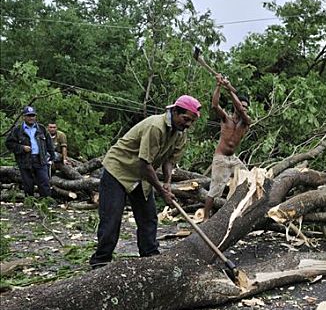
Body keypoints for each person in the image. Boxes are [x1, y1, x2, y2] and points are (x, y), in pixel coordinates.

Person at [89, 95, 201, 268]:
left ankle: (149, 256)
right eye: (186, 119)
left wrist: (168, 183)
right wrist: (162, 192)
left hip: (141, 176)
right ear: (175, 112)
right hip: (119, 170)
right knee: (112, 218)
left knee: (148, 218)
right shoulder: (155, 127)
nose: (188, 124)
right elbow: (145, 163)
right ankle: (101, 260)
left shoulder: (180, 133)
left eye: (191, 122)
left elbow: (169, 161)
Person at [203, 74, 252, 220]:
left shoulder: (246, 122)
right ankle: (206, 217)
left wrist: (229, 89)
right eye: (242, 106)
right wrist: (219, 85)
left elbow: (240, 110)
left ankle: (243, 213)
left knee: (249, 180)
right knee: (215, 189)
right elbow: (214, 105)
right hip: (221, 158)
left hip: (234, 159)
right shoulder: (226, 119)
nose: (244, 109)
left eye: (246, 107)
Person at [5, 106, 56, 197]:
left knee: (44, 181)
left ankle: (46, 202)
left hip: (40, 159)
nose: (31, 118)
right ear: (24, 117)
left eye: (33, 115)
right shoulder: (18, 130)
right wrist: (22, 148)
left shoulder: (41, 128)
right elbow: (9, 143)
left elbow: (49, 143)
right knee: (28, 184)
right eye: (28, 115)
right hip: (24, 160)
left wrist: (52, 157)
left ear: (35, 116)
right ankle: (30, 203)